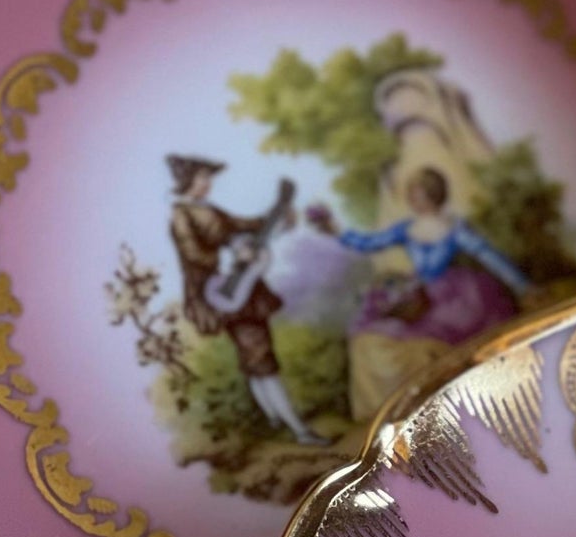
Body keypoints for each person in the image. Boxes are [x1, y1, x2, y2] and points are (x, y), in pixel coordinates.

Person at [307, 167, 530, 421]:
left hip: (453, 296)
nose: (413, 200)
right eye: (411, 194)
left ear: (434, 195)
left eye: (418, 194)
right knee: (379, 332)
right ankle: (393, 409)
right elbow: (370, 243)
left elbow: (489, 256)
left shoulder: (453, 228)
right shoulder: (407, 229)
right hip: (421, 292)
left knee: (436, 340)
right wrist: (336, 230)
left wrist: (523, 286)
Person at [167, 154, 324, 446]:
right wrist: (234, 254)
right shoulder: (181, 215)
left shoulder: (207, 208)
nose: (208, 183)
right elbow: (194, 255)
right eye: (203, 177)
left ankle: (275, 418)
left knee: (254, 358)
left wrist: (276, 216)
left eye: (209, 177)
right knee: (259, 358)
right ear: (188, 180)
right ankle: (299, 430)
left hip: (237, 285)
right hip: (219, 292)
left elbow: (241, 225)